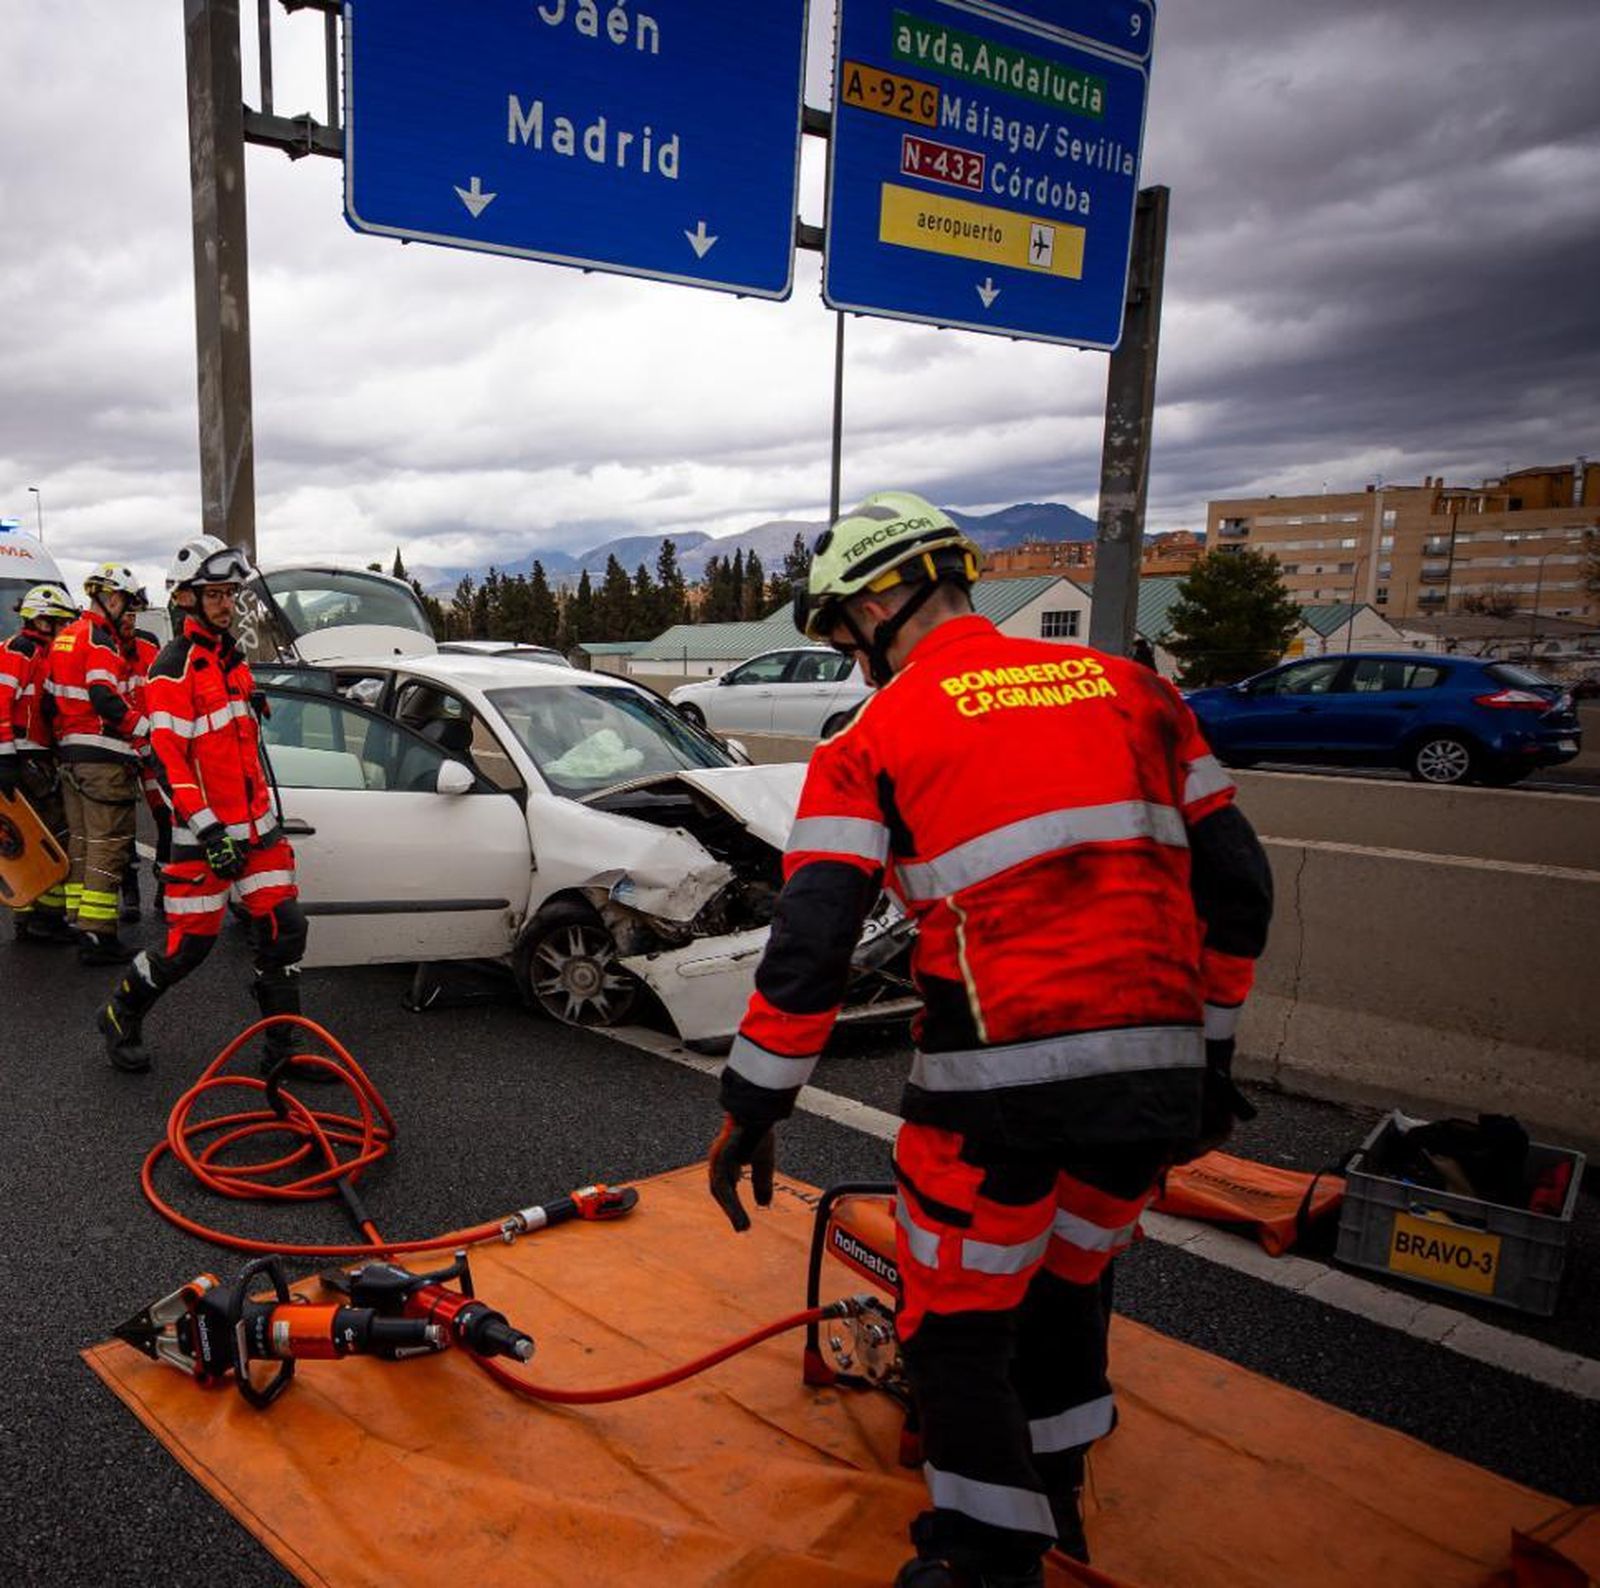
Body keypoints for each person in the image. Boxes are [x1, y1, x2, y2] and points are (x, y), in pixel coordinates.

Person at [706, 493, 1274, 1588]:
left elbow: (814, 942)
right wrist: (1208, 1057)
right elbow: (1239, 885)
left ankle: (985, 1557)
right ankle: (1059, 1518)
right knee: (1067, 1285)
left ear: (879, 603)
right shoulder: (1139, 692)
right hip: (1153, 1089)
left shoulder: (871, 737)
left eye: (843, 637)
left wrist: (754, 1104)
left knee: (958, 1323)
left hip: (997, 1099)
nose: (851, 662)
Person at [96, 536, 309, 1077]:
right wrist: (211, 832)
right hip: (206, 838)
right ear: (186, 598)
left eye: (230, 593)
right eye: (214, 594)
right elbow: (169, 763)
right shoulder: (173, 667)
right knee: (187, 948)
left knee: (285, 929)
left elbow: (233, 747)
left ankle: (282, 1051)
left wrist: (250, 702)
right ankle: (120, 1013)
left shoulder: (231, 659)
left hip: (256, 831)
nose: (225, 603)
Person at [47, 562, 150, 963]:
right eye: (127, 602)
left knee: (82, 844)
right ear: (111, 597)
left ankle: (79, 922)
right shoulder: (100, 640)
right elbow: (104, 697)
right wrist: (145, 729)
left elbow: (49, 702)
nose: (128, 612)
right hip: (103, 758)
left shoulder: (65, 637)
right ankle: (98, 935)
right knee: (109, 846)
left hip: (70, 757)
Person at [0, 583, 81, 944]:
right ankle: (46, 918)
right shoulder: (22, 649)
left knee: (30, 839)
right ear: (41, 621)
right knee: (53, 834)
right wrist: (5, 757)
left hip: (31, 753)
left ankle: (30, 917)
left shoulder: (38, 652)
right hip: (23, 755)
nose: (63, 630)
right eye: (59, 623)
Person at [117, 592, 171, 923]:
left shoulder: (149, 644)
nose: (129, 621)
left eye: (133, 615)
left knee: (166, 816)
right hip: (118, 749)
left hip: (152, 747)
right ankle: (130, 892)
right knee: (123, 825)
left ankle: (165, 886)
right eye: (125, 615)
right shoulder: (102, 647)